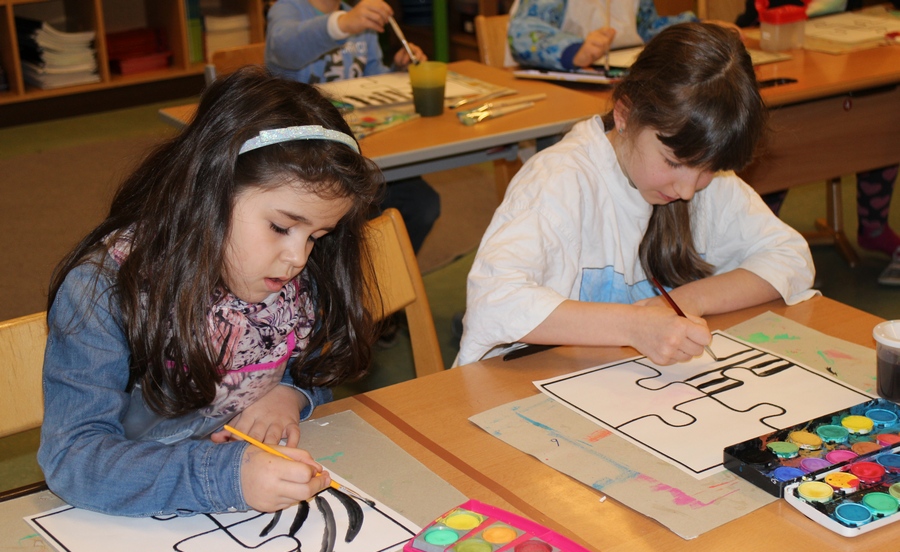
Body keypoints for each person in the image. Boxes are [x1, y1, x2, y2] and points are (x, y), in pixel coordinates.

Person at [38, 66, 383, 517]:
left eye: (317, 236)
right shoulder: (102, 292)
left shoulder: (287, 277)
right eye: (281, 227)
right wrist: (227, 476)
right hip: (130, 516)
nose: (298, 257)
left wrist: (290, 394)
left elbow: (312, 366)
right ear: (209, 191)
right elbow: (74, 457)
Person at [458, 23, 817, 366]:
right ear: (625, 114)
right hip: (513, 388)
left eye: (707, 169)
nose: (687, 190)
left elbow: (791, 257)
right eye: (673, 162)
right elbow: (493, 302)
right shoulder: (559, 182)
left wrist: (687, 300)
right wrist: (633, 325)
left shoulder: (703, 178)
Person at [737, 0, 900, 284]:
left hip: (841, 44)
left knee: (880, 114)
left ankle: (874, 227)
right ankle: (762, 246)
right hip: (776, 43)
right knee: (782, 135)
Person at [265, 0, 440, 255]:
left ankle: (384, 272)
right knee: (351, 219)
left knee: (423, 204)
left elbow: (372, 82)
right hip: (305, 160)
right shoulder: (287, 9)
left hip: (360, 152)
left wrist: (398, 70)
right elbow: (284, 49)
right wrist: (343, 24)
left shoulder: (360, 18)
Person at [507, 0, 698, 71]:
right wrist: (574, 51)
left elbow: (646, 27)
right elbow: (523, 33)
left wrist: (694, 26)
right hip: (561, 88)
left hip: (615, 80)